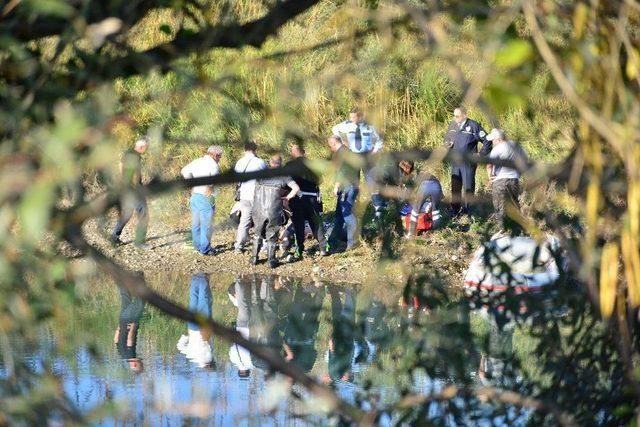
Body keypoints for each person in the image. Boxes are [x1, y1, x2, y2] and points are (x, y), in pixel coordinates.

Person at [332, 107, 385, 220]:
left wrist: (375, 150)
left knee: (371, 181)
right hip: (354, 155)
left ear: (360, 116)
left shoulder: (369, 125)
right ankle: (353, 207)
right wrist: (343, 142)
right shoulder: (347, 125)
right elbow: (334, 129)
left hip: (367, 155)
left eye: (354, 117)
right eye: (350, 117)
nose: (351, 119)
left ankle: (378, 209)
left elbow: (380, 138)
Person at [251, 155, 300, 268]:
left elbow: (254, 190)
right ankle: (271, 261)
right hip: (274, 209)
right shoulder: (284, 176)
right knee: (272, 235)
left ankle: (254, 258)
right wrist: (287, 198)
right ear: (280, 163)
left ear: (270, 163)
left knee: (257, 234)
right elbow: (296, 188)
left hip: (258, 209)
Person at [444, 107, 492, 217]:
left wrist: (480, 154)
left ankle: (467, 211)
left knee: (468, 186)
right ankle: (455, 210)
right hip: (455, 161)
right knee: (455, 187)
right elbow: (447, 139)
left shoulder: (473, 125)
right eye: (454, 115)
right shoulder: (453, 125)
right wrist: (447, 145)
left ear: (464, 115)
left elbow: (487, 140)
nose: (455, 118)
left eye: (458, 116)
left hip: (468, 162)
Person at [285, 144, 327, 260]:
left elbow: (286, 183)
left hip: (298, 199)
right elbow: (320, 181)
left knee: (298, 225)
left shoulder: (290, 165)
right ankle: (323, 248)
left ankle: (299, 250)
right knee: (316, 223)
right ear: (304, 152)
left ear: (293, 153)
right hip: (314, 198)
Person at [180, 145, 223, 255]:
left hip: (195, 196)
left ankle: (198, 246)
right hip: (206, 197)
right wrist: (210, 186)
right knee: (207, 225)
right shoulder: (213, 165)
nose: (220, 159)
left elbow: (184, 170)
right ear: (215, 155)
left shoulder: (197, 161)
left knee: (196, 223)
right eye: (220, 156)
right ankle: (206, 249)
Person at [110, 137, 150, 249]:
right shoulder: (135, 156)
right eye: (146, 147)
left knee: (127, 214)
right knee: (144, 214)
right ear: (142, 147)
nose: (146, 149)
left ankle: (114, 237)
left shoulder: (128, 153)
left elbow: (120, 164)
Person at [486, 128, 528, 231]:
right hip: (514, 180)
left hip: (500, 181)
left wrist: (490, 177)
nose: (492, 143)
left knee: (499, 206)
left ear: (499, 139)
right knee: (514, 204)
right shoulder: (516, 146)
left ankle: (503, 230)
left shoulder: (498, 148)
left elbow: (489, 165)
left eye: (493, 140)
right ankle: (517, 229)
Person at [233, 141, 267, 253]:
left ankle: (239, 246)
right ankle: (262, 245)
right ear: (255, 149)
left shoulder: (239, 162)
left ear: (245, 149)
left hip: (244, 195)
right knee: (260, 221)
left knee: (244, 221)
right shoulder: (260, 162)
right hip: (257, 196)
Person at [327, 135, 359, 252]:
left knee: (347, 214)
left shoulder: (342, 154)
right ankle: (334, 240)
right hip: (352, 186)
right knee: (339, 215)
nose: (331, 149)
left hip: (346, 187)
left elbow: (343, 172)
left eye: (330, 146)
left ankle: (353, 242)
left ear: (334, 143)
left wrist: (336, 186)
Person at [176, 273, 215, 368]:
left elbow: (206, 345)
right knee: (194, 300)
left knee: (204, 302)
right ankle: (195, 278)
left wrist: (204, 337)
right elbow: (179, 346)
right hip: (192, 329)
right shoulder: (191, 357)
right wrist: (187, 337)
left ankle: (202, 277)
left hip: (203, 330)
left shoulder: (208, 359)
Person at [398, 160, 444, 236]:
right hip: (436, 184)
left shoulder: (410, 176)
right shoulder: (420, 172)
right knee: (435, 212)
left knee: (415, 211)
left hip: (425, 186)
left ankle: (411, 234)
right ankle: (438, 233)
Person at [114, 285, 146, 372]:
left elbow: (130, 341)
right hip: (122, 320)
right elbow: (116, 340)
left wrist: (133, 327)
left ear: (135, 364)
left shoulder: (131, 355)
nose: (142, 361)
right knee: (125, 297)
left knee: (141, 301)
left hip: (129, 320)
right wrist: (119, 326)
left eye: (141, 364)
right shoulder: (122, 354)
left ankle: (138, 278)